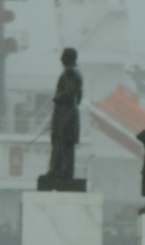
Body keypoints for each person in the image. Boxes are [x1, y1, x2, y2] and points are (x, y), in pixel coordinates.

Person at [47, 47, 83, 179]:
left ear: (68, 58)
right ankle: (64, 172)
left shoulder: (70, 74)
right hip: (69, 113)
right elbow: (79, 97)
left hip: (65, 115)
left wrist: (57, 98)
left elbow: (69, 92)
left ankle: (57, 171)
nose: (60, 58)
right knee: (65, 145)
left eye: (63, 56)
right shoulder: (75, 74)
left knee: (60, 143)